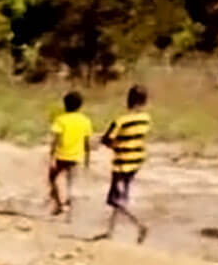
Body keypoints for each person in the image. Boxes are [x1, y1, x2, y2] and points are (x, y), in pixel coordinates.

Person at [100, 85, 153, 243]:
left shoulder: (121, 121)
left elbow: (107, 139)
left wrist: (112, 145)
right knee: (121, 196)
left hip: (122, 163)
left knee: (115, 199)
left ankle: (140, 225)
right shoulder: (146, 119)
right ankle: (110, 232)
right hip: (136, 161)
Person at [49, 91, 92, 219]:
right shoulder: (85, 121)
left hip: (62, 155)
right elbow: (87, 143)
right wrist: (87, 159)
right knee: (71, 183)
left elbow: (55, 140)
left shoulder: (60, 120)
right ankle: (70, 213)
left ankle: (59, 204)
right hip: (77, 156)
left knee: (53, 178)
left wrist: (51, 156)